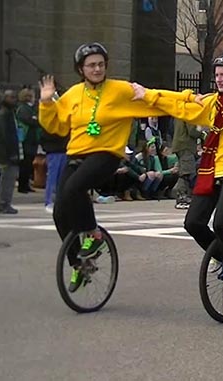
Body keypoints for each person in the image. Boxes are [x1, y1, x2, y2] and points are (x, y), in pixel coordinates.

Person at [131, 52, 223, 300]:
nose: (219, 79)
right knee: (193, 223)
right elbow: (181, 106)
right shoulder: (212, 104)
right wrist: (148, 95)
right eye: (217, 75)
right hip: (212, 168)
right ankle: (220, 254)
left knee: (220, 222)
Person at [38, 42, 166, 292]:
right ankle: (79, 264)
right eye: (91, 65)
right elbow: (56, 127)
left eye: (100, 64)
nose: (97, 69)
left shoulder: (119, 90)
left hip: (106, 155)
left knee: (74, 189)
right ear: (81, 69)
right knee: (60, 212)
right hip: (77, 155)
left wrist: (191, 100)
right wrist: (46, 103)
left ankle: (94, 234)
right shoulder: (73, 94)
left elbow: (156, 101)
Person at [0, 90, 20, 214]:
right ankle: (4, 203)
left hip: (8, 152)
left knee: (8, 180)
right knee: (7, 180)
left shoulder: (9, 113)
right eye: (11, 97)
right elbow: (5, 136)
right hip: (5, 154)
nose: (14, 99)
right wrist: (11, 153)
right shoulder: (3, 114)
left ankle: (4, 203)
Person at [171, 118, 201, 209]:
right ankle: (181, 196)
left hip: (180, 145)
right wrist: (202, 133)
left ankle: (184, 195)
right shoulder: (188, 114)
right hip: (186, 146)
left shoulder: (180, 113)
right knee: (187, 173)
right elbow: (192, 131)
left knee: (184, 171)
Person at [40, 125, 69, 213]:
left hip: (63, 150)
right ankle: (49, 201)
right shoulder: (50, 122)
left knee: (62, 178)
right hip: (54, 151)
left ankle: (59, 201)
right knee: (52, 177)